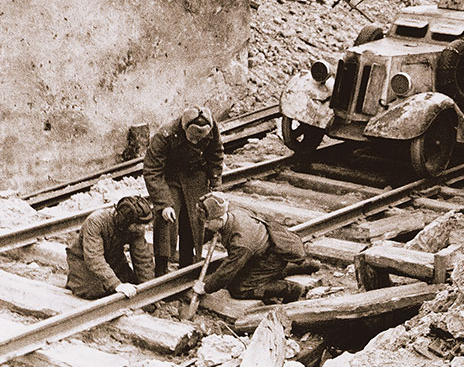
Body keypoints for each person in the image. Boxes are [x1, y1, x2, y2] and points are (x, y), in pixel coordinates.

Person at [191, 192, 320, 303]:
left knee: (239, 288)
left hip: (271, 257)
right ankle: (307, 266)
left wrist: (206, 288)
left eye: (207, 223)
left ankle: (292, 289)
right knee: (241, 275)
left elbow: (228, 270)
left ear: (219, 220)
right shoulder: (235, 212)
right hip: (267, 248)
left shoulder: (241, 242)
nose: (205, 226)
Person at [143, 105, 224, 276]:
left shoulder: (212, 128)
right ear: (184, 128)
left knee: (194, 219)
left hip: (196, 176)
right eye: (192, 138)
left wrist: (216, 185)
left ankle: (187, 264)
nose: (195, 142)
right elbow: (152, 170)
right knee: (166, 219)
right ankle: (161, 268)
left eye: (199, 139)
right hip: (171, 177)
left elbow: (216, 155)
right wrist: (164, 203)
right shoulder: (166, 135)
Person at [65, 196, 155, 299]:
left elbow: (142, 259)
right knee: (95, 291)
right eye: (137, 225)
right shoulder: (96, 222)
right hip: (83, 262)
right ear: (125, 221)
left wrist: (149, 291)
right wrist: (116, 285)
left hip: (113, 261)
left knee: (132, 284)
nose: (141, 228)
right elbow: (94, 259)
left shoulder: (135, 228)